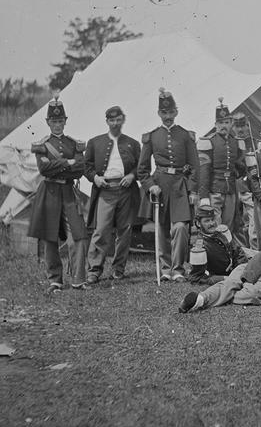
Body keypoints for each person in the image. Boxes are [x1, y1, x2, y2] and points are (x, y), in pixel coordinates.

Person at [28, 93, 90, 292]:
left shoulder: (74, 144)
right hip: (49, 193)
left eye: (60, 121)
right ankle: (55, 279)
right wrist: (68, 163)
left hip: (68, 194)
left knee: (79, 235)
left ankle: (79, 279)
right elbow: (44, 169)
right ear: (48, 122)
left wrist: (62, 165)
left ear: (66, 121)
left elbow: (80, 168)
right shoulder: (42, 145)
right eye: (54, 121)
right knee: (50, 237)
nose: (57, 124)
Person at [138, 88, 200, 282]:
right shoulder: (151, 137)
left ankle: (179, 268)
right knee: (162, 228)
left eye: (171, 112)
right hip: (160, 186)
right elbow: (141, 169)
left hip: (180, 186)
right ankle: (166, 269)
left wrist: (192, 190)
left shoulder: (185, 136)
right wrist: (150, 186)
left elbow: (196, 166)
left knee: (181, 227)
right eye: (164, 113)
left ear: (176, 112)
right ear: (159, 113)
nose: (168, 116)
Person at [84, 105, 141, 284]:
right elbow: (86, 166)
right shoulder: (94, 142)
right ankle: (94, 270)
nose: (115, 124)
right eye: (111, 120)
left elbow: (141, 166)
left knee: (124, 231)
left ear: (123, 120)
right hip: (105, 189)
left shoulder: (132, 143)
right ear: (107, 121)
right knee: (101, 230)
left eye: (118, 120)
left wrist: (132, 175)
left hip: (126, 190)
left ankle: (118, 269)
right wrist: (95, 178)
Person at [196, 98, 246, 233]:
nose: (224, 126)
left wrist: (238, 171)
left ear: (231, 124)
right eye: (220, 123)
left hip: (230, 190)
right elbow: (204, 171)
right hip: (214, 189)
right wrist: (204, 196)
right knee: (214, 225)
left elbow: (240, 165)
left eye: (226, 122)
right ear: (215, 124)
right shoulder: (208, 142)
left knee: (228, 225)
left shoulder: (235, 142)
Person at [186, 203, 249, 285]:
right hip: (228, 275)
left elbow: (237, 252)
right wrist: (222, 278)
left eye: (212, 219)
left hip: (239, 267)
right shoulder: (200, 247)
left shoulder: (221, 233)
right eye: (207, 221)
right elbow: (196, 278)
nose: (212, 223)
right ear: (198, 223)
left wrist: (242, 268)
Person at [230, 112, 257, 248]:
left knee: (255, 224)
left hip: (250, 190)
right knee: (236, 223)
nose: (240, 130)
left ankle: (255, 253)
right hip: (233, 188)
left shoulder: (255, 144)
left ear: (248, 126)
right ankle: (240, 253)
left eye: (243, 126)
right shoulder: (228, 145)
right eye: (236, 126)